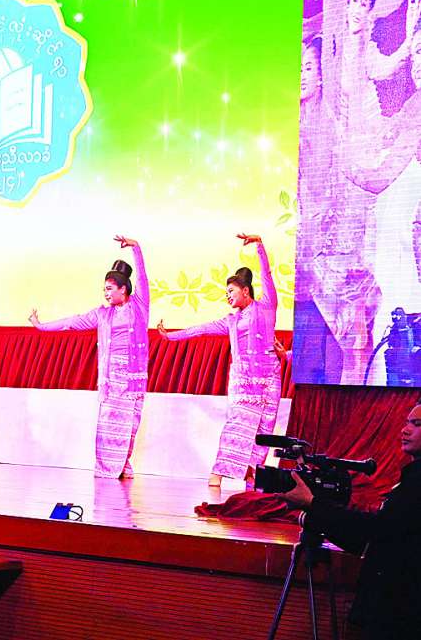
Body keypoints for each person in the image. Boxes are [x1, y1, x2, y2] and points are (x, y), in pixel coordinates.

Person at [276, 401, 421, 640]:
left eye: (416, 424)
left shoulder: (416, 482)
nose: (405, 430)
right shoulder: (411, 476)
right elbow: (370, 542)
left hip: (402, 611)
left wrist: (313, 504)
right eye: (407, 422)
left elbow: (377, 530)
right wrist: (313, 515)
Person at [159, 234, 284, 486]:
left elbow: (267, 276)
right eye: (226, 293)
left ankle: (253, 474)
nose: (227, 296)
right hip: (244, 381)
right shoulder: (231, 321)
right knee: (237, 425)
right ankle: (217, 473)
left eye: (231, 291)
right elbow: (201, 329)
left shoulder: (267, 307)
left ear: (246, 291)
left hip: (270, 378)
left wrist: (260, 246)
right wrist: (170, 336)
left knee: (264, 428)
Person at [31, 236, 149, 479]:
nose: (106, 293)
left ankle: (123, 465)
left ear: (123, 289)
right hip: (111, 376)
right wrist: (42, 326)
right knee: (108, 424)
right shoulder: (102, 314)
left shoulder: (139, 307)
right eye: (104, 289)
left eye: (109, 289)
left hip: (132, 377)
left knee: (130, 424)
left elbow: (143, 278)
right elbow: (72, 322)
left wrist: (136, 248)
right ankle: (106, 468)